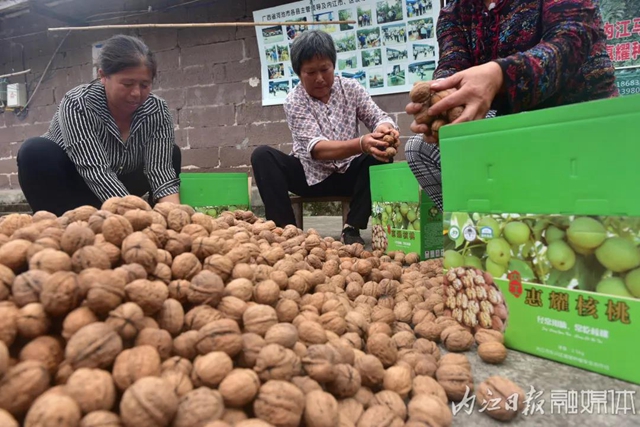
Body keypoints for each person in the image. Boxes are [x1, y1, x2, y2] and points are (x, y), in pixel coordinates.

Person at [404, 0, 619, 211]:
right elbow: (452, 62)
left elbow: (569, 41)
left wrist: (501, 75)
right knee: (420, 147)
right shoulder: (455, 11)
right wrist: (438, 100)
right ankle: (472, 228)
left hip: (579, 121)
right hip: (510, 127)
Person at [251, 30, 399, 245]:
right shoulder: (294, 101)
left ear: (333, 65)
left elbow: (377, 116)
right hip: (310, 176)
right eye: (310, 72)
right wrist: (360, 144)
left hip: (350, 174)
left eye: (324, 69)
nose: (319, 78)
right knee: (262, 155)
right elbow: (316, 149)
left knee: (382, 151)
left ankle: (352, 227)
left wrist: (386, 129)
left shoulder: (351, 88)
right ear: (299, 73)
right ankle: (286, 230)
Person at [17, 34, 181, 216]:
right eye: (127, 84)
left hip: (119, 188)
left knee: (172, 153)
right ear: (103, 76)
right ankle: (58, 224)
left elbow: (161, 171)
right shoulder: (79, 103)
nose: (136, 93)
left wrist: (176, 216)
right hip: (74, 187)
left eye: (145, 85)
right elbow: (94, 169)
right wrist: (135, 216)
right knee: (35, 150)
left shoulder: (156, 109)